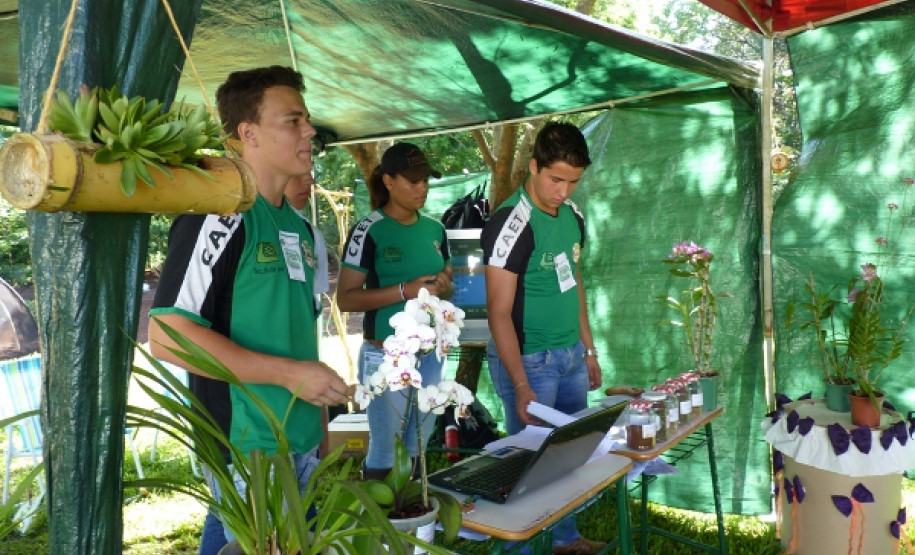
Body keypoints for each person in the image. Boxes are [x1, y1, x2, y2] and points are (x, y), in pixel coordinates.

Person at [148, 65, 352, 555]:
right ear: (248, 134)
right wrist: (287, 375)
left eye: (307, 121)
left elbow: (301, 336)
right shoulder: (220, 214)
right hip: (250, 448)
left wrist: (320, 434)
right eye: (293, 121)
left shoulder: (301, 229)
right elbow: (167, 334)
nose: (309, 132)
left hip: (299, 440)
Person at [481, 122, 604, 555]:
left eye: (573, 182)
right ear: (533, 166)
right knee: (529, 467)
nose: (564, 192)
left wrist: (587, 350)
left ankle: (566, 540)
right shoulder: (510, 225)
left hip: (569, 354)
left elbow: (576, 285)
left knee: (569, 457)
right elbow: (498, 313)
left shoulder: (573, 217)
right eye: (556, 179)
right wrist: (519, 384)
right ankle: (523, 548)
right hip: (530, 361)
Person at [336, 142, 453, 480]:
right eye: (412, 181)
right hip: (386, 353)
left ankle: (414, 521)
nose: (422, 189)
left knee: (418, 445)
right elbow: (346, 299)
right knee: (386, 450)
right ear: (388, 181)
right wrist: (405, 290)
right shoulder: (368, 230)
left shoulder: (436, 229)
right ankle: (380, 526)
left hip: (431, 353)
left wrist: (444, 285)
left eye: (426, 181)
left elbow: (448, 281)